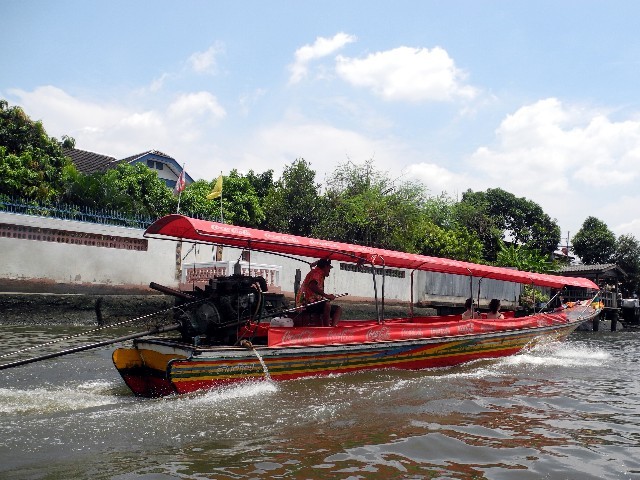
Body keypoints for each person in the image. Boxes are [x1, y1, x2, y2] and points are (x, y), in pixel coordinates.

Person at [296, 258, 342, 326]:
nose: (329, 271)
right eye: (329, 268)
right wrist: (326, 296)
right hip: (306, 303)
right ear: (325, 267)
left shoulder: (318, 274)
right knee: (327, 305)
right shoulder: (316, 273)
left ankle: (332, 327)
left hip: (315, 302)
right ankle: (326, 328)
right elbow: (312, 286)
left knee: (338, 309)